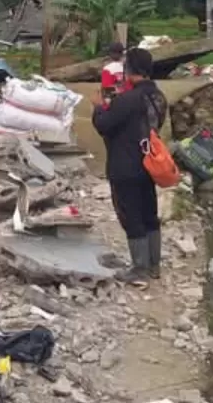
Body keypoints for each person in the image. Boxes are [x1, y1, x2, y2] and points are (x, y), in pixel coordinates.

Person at [91, 47, 168, 285]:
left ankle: (139, 268)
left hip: (125, 165)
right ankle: (154, 265)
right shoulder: (158, 97)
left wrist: (97, 107)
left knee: (131, 215)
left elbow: (104, 124)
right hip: (149, 163)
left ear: (129, 70)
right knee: (149, 214)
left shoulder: (128, 99)